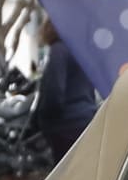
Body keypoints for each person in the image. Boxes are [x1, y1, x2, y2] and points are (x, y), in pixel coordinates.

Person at [34, 18, 100, 162]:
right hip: (86, 119)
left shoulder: (59, 50)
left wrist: (43, 118)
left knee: (62, 175)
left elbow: (54, 91)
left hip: (65, 124)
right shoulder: (81, 50)